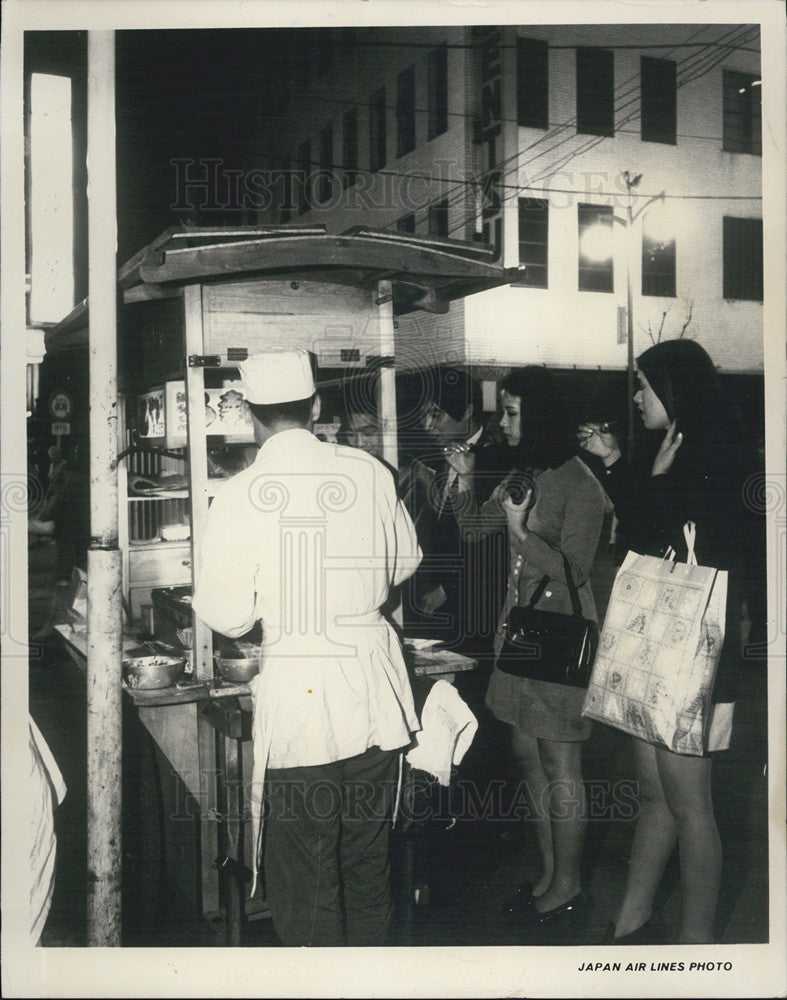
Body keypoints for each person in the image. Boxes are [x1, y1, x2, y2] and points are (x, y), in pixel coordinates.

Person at [192, 350, 422, 947]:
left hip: (302, 691)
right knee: (367, 859)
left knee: (306, 868)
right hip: (373, 688)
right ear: (316, 406)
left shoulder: (242, 493)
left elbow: (225, 612)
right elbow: (406, 561)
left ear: (248, 416)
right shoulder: (369, 471)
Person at [578, 339, 745, 944]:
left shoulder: (720, 456)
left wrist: (648, 479)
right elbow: (642, 538)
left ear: (672, 390)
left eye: (644, 386)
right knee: (654, 794)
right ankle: (633, 920)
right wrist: (626, 466)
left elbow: (698, 544)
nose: (636, 396)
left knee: (689, 805)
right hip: (659, 652)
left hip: (694, 656)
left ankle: (697, 949)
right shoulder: (673, 449)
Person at [446, 366, 605, 930]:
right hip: (517, 638)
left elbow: (577, 572)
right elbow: (470, 529)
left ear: (541, 414)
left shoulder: (581, 484)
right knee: (526, 756)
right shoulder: (525, 473)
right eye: (502, 411)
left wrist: (521, 534)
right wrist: (466, 478)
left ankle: (569, 884)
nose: (502, 422)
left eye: (512, 412)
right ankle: (548, 874)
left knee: (560, 760)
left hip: (558, 641)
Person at [402, 365, 509, 661]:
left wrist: (448, 588)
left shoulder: (498, 460)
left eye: (437, 414)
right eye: (424, 415)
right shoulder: (440, 454)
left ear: (469, 411)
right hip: (434, 602)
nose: (428, 425)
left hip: (475, 605)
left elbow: (494, 545)